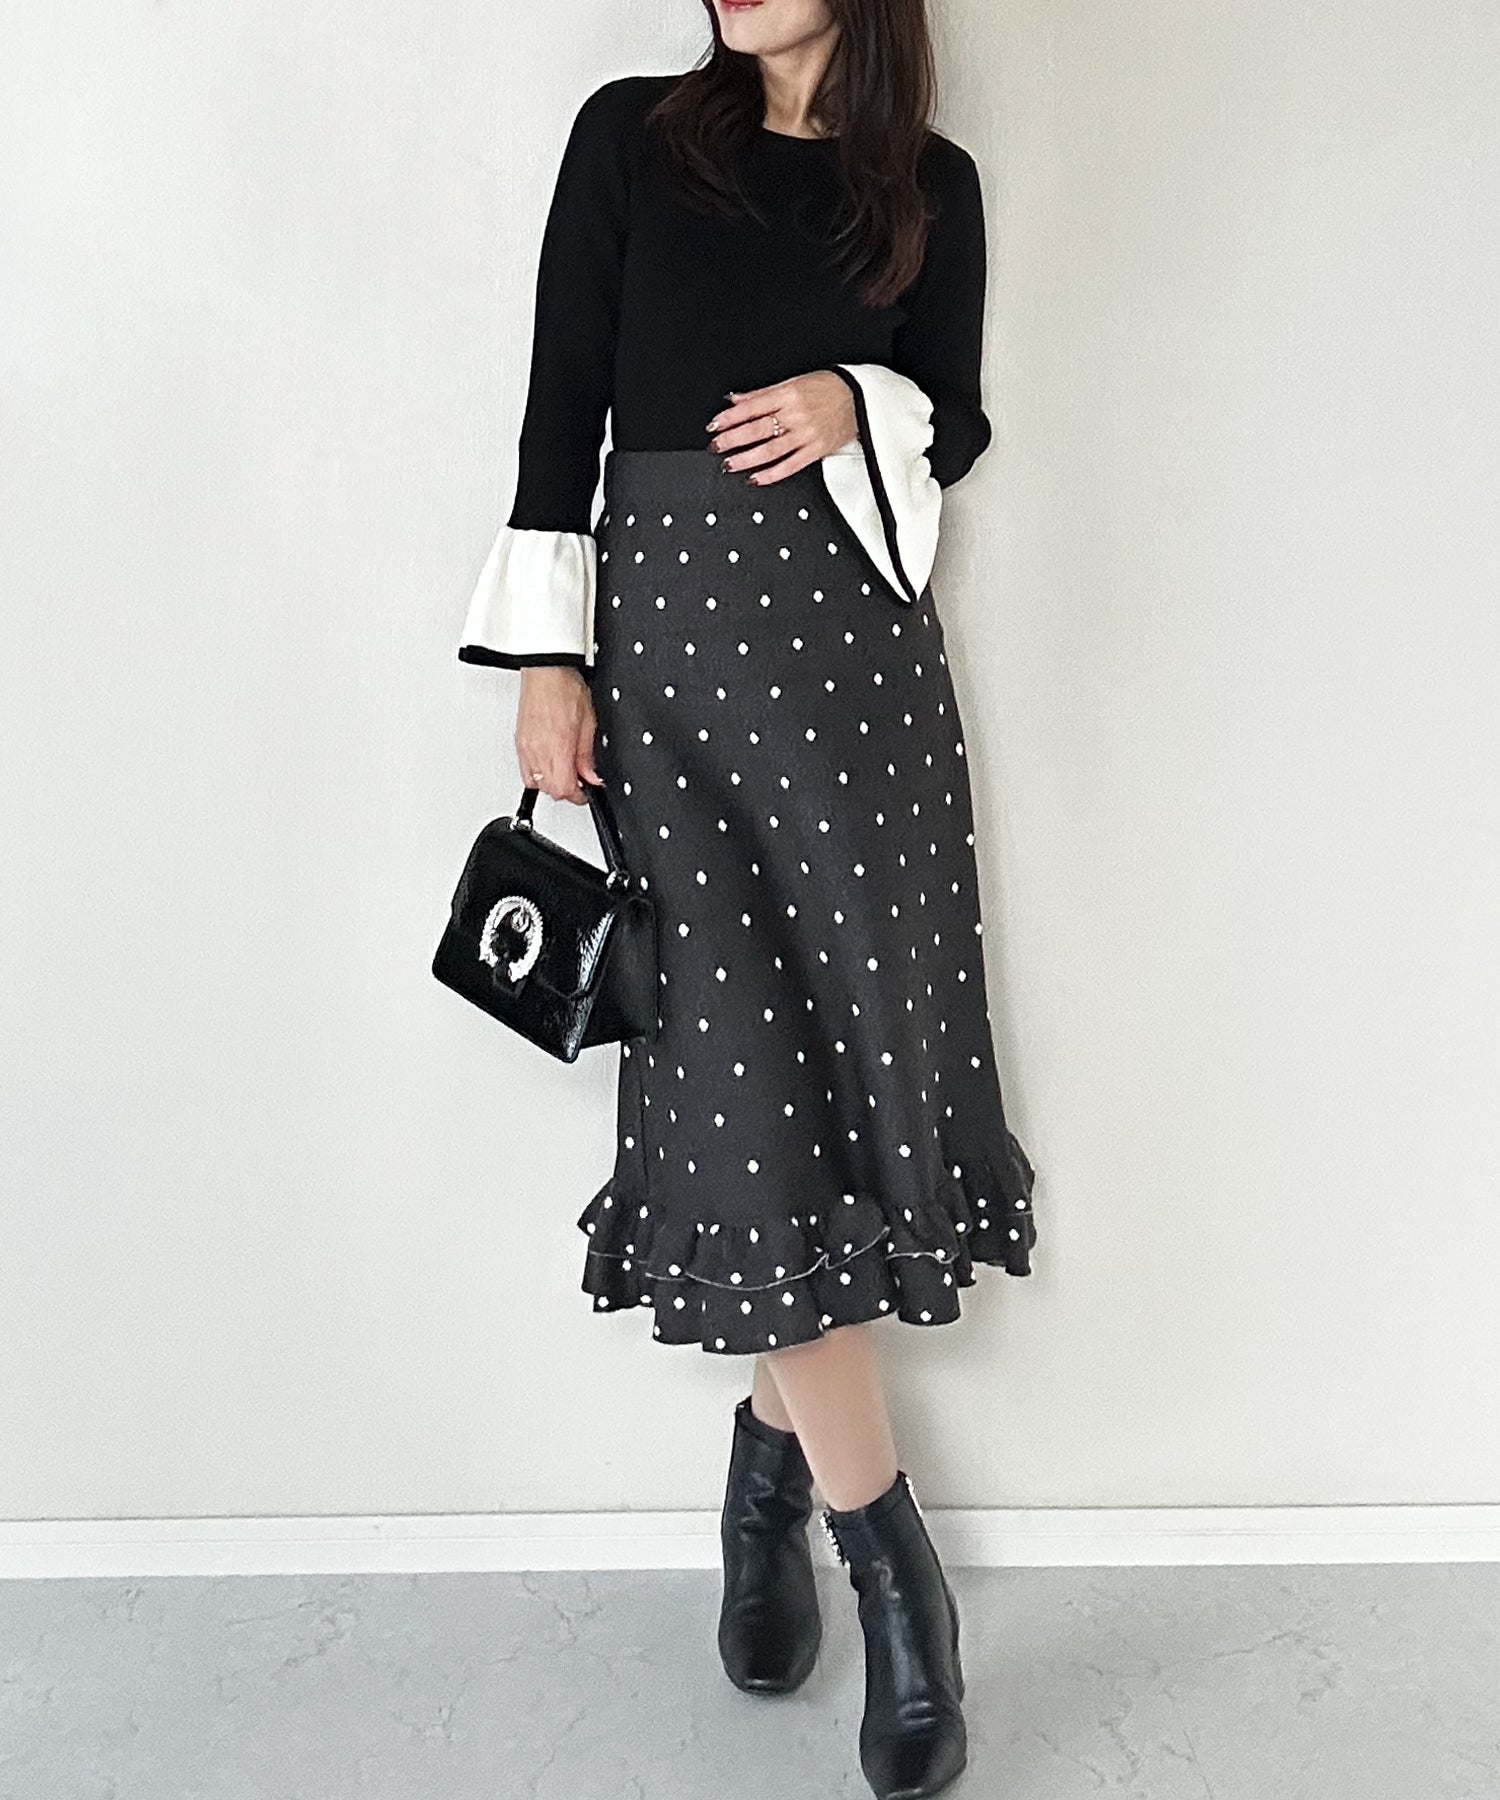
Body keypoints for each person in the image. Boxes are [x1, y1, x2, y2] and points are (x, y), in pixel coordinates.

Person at [458, 5, 1038, 1795]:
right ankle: (899, 1575)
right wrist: (546, 663)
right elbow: (563, 398)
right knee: (741, 1107)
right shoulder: (634, 136)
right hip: (674, 664)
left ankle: (767, 1480)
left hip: (859, 672)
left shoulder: (926, 181)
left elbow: (958, 420)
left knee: (853, 1075)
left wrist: (857, 400)